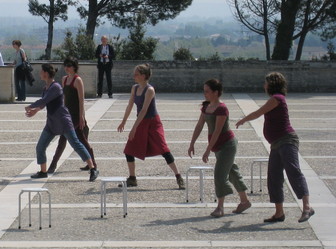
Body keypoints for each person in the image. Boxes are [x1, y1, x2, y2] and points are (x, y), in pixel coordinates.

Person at [236, 72, 314, 223]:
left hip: (287, 140)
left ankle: (307, 208)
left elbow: (259, 112)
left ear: (272, 84)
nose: (264, 85)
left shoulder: (277, 98)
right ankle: (279, 213)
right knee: (274, 177)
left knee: (293, 172)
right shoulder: (275, 98)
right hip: (276, 143)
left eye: (266, 83)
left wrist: (243, 119)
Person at [188, 79, 251, 218]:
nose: (204, 94)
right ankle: (245, 201)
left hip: (227, 145)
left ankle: (220, 207)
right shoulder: (206, 107)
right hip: (217, 146)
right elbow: (199, 125)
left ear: (216, 92)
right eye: (204, 91)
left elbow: (217, 131)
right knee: (232, 172)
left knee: (220, 175)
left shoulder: (222, 109)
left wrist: (207, 150)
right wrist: (192, 143)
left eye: (207, 91)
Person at [26, 64, 99, 182]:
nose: (40, 74)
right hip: (51, 123)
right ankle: (43, 172)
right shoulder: (46, 88)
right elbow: (45, 103)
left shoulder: (56, 87)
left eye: (41, 71)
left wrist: (30, 106)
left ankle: (93, 168)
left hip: (64, 122)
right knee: (40, 146)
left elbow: (44, 100)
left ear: (46, 73)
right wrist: (36, 110)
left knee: (76, 144)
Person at [117, 63, 185, 189]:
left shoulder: (150, 90)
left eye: (136, 74)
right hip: (141, 121)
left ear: (143, 76)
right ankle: (132, 178)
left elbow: (144, 110)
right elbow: (130, 105)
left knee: (163, 149)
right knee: (129, 150)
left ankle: (178, 176)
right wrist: (123, 122)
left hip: (153, 122)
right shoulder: (134, 88)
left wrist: (133, 128)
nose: (134, 76)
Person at [47, 58, 96, 174]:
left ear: (74, 66)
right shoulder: (64, 79)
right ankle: (92, 165)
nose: (66, 68)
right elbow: (64, 98)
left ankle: (53, 165)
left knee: (68, 139)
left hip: (75, 115)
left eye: (69, 65)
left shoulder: (77, 80)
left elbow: (81, 100)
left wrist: (82, 116)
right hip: (67, 115)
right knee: (78, 140)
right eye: (65, 65)